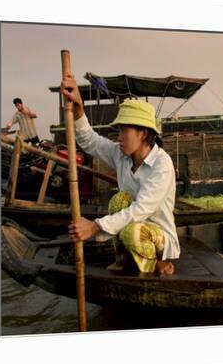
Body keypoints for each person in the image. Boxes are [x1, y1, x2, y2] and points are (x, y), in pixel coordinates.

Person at [61, 74, 179, 275]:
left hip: (157, 236)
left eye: (124, 131)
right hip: (129, 230)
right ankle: (124, 258)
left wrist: (95, 226)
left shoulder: (162, 163)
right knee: (119, 200)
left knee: (133, 232)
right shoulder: (121, 155)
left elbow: (142, 209)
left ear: (143, 133)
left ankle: (157, 262)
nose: (119, 137)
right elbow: (90, 141)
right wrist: (79, 107)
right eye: (119, 131)